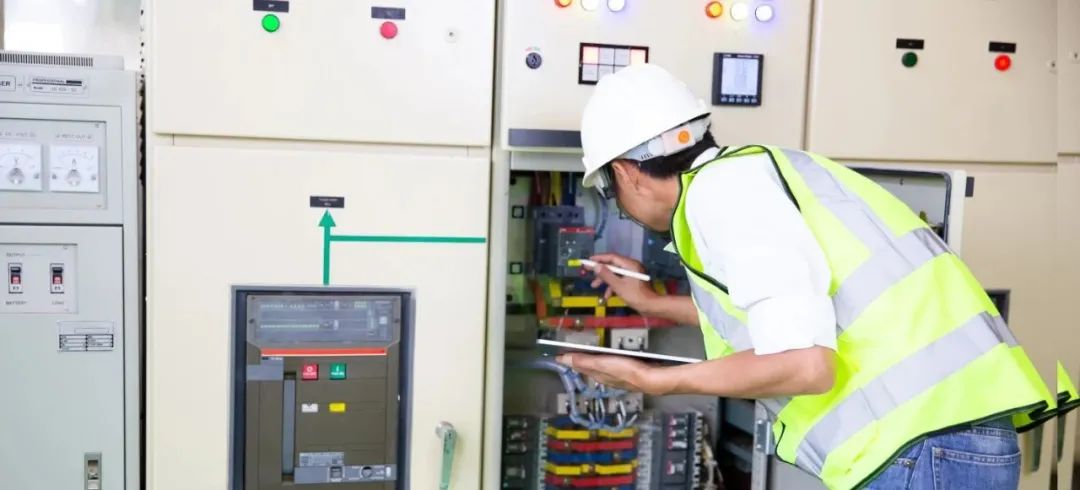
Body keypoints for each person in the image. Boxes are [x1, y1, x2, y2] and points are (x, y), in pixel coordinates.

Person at [555, 63, 1059, 489]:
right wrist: (651, 304)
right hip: (940, 440)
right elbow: (796, 307)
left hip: (920, 451)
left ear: (626, 172)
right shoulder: (762, 172)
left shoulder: (719, 195)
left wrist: (652, 380)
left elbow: (806, 364)